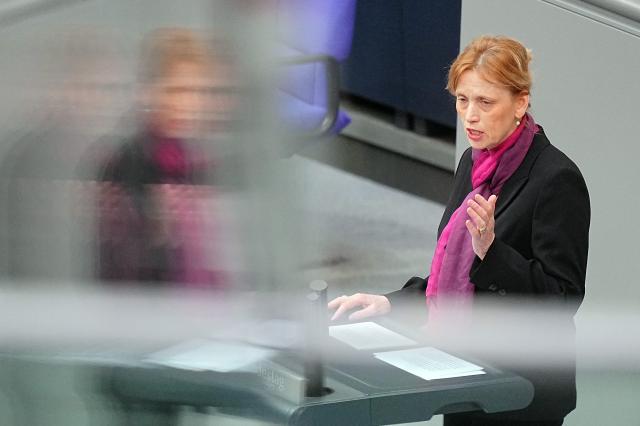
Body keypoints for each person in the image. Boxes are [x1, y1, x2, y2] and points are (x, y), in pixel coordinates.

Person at [328, 35, 590, 425]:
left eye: (486, 102)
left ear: (520, 103)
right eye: (462, 99)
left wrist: (493, 252)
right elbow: (451, 277)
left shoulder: (556, 179)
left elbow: (563, 298)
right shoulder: (474, 161)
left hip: (521, 387)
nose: (470, 116)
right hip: (462, 368)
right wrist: (391, 303)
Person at [95, 29, 233, 287]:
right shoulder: (131, 161)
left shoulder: (199, 160)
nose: (187, 103)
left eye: (198, 92)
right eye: (176, 90)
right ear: (148, 92)